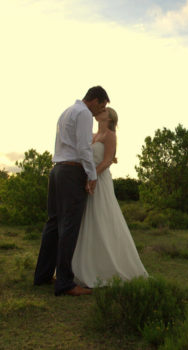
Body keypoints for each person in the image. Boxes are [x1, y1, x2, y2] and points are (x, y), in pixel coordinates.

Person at [34, 86, 110, 296]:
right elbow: (84, 147)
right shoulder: (84, 113)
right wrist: (92, 175)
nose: (99, 112)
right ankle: (65, 282)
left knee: (53, 223)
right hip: (71, 173)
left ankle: (42, 275)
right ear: (94, 100)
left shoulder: (67, 111)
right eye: (101, 106)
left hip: (57, 170)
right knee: (69, 226)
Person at [72, 107, 148, 288]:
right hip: (89, 179)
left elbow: (107, 160)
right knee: (87, 220)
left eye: (103, 110)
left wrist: (93, 176)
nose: (99, 111)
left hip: (101, 180)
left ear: (110, 116)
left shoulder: (110, 135)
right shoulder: (92, 135)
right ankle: (83, 266)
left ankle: (110, 265)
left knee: (103, 217)